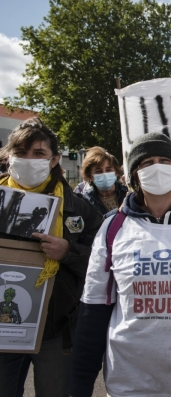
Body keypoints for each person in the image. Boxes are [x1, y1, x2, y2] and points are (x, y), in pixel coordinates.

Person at [68, 133, 171, 397]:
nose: (157, 167)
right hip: (131, 383)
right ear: (133, 175)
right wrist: (80, 386)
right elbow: (93, 311)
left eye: (165, 160)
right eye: (146, 163)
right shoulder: (112, 228)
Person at [0, 117, 103, 397]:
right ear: (8, 156)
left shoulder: (80, 210)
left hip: (57, 331)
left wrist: (69, 252)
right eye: (21, 153)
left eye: (38, 153)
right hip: (3, 328)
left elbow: (102, 263)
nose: (28, 160)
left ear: (55, 159)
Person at [76, 146, 128, 215]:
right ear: (90, 176)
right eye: (98, 171)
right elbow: (94, 224)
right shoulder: (85, 201)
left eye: (108, 170)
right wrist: (119, 211)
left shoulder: (126, 193)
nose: (104, 174)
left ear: (116, 172)